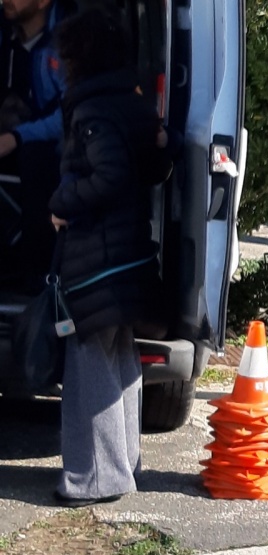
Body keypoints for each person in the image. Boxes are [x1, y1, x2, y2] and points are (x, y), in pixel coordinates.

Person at [47, 7, 173, 506]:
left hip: (97, 259)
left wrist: (62, 203)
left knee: (88, 364)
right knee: (121, 359)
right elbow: (154, 168)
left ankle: (96, 478)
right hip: (129, 254)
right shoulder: (133, 104)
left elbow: (109, 176)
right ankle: (124, 465)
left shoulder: (93, 111)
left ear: (80, 58)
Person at [0, 0, 73, 291]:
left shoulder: (62, 46)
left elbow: (68, 113)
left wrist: (18, 137)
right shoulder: (5, 36)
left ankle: (35, 277)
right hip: (9, 130)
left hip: (43, 143)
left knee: (37, 160)